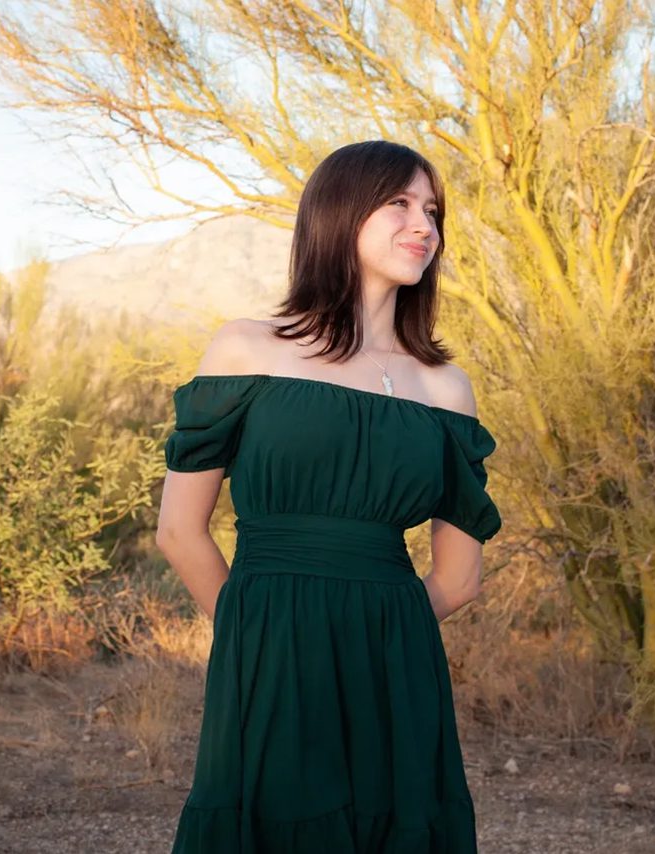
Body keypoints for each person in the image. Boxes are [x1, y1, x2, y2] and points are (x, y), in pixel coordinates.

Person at [156, 139, 504, 853]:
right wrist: (260, 632)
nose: (425, 226)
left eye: (433, 211)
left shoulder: (445, 387)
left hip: (395, 665)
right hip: (271, 650)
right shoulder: (248, 349)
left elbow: (461, 577)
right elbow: (179, 531)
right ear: (339, 215)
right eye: (400, 204)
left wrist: (376, 631)